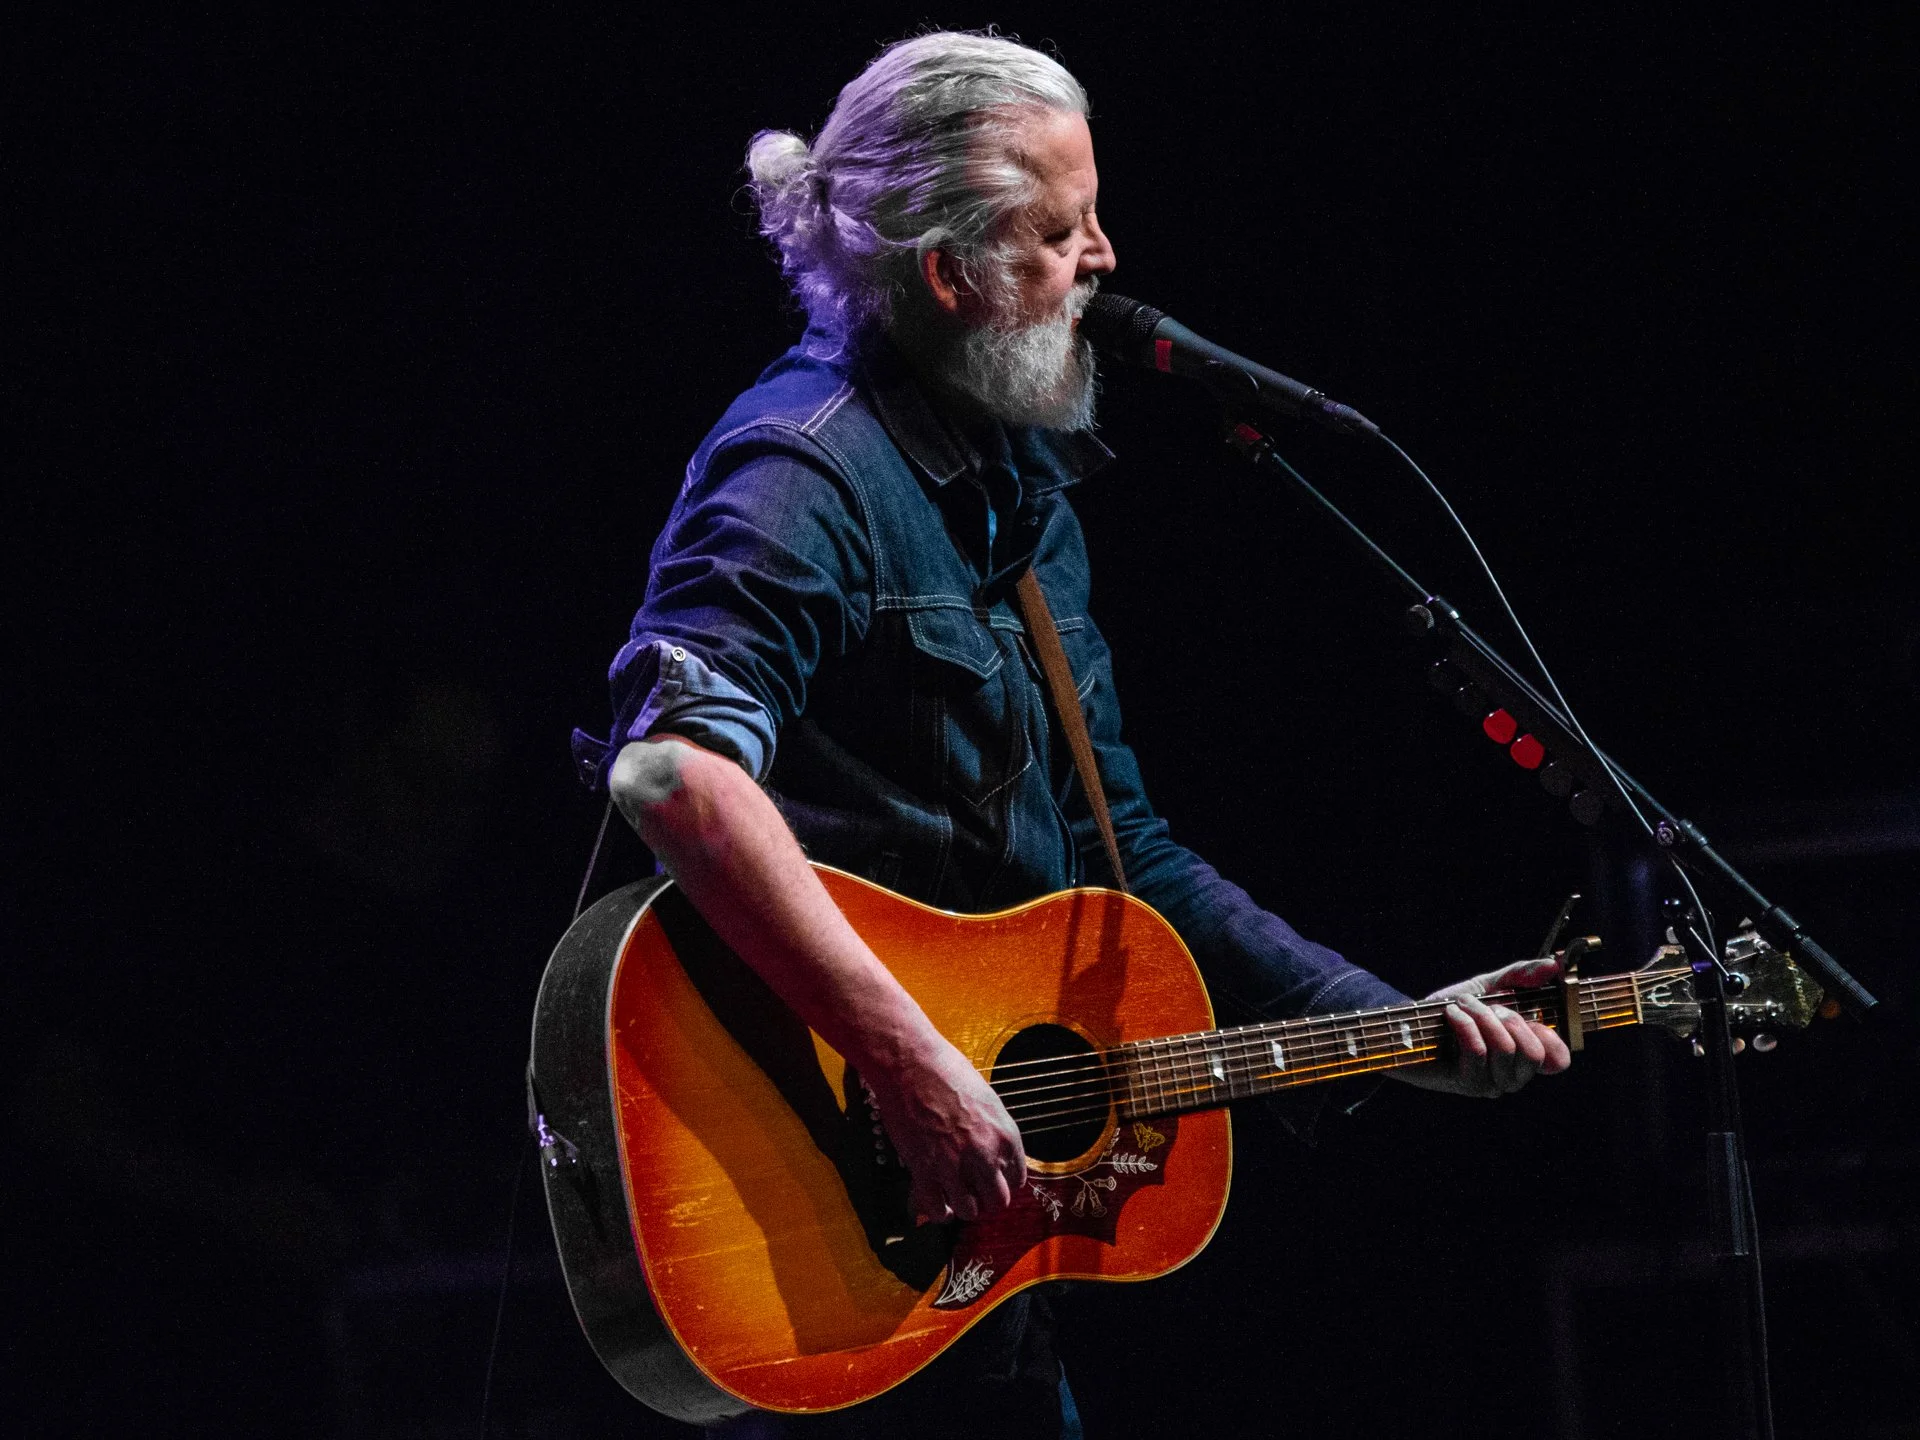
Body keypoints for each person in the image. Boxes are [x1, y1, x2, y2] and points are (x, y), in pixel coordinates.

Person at [574, 30, 1571, 1437]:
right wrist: (912, 1066)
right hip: (810, 1194)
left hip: (971, 1248)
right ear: (948, 273)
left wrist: (1384, 1027)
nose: (1104, 256)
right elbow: (672, 772)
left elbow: (1128, 860)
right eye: (1058, 231)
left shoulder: (1022, 495)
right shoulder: (805, 468)